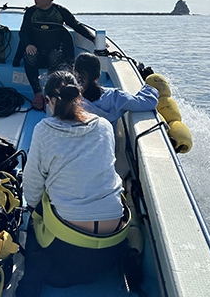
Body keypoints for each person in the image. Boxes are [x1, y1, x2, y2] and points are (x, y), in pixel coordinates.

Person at [17, 71, 129, 296]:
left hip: (68, 244)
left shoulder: (43, 131)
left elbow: (31, 190)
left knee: (34, 217)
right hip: (114, 238)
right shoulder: (105, 125)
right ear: (79, 97)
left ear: (49, 101)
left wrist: (34, 207)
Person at [13, 0, 95, 110]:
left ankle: (50, 95)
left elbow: (76, 25)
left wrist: (93, 38)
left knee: (56, 56)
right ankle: (38, 94)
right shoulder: (31, 12)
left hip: (53, 56)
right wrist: (28, 44)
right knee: (29, 55)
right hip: (36, 54)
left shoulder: (60, 11)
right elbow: (23, 33)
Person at [74, 52, 158, 127]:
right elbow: (147, 103)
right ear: (98, 76)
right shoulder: (114, 97)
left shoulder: (68, 98)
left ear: (74, 74)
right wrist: (148, 86)